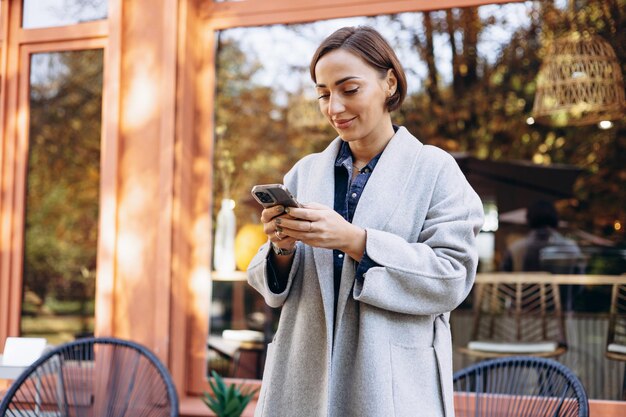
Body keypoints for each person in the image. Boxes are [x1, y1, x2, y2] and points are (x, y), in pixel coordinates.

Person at [247, 26, 484, 417]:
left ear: (389, 82)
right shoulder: (304, 173)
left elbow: (452, 276)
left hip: (390, 384)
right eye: (324, 94)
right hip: (304, 378)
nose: (334, 107)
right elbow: (272, 289)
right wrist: (281, 246)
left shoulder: (435, 170)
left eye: (349, 89)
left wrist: (356, 241)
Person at [501, 200, 583, 273]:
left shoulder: (515, 249)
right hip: (561, 290)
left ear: (528, 220)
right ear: (556, 219)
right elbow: (579, 284)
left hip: (523, 290)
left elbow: (504, 279)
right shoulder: (571, 249)